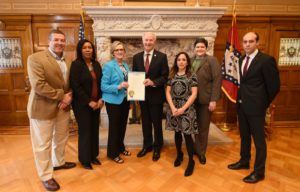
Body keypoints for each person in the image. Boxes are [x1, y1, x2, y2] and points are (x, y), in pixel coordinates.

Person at [228, 32, 280, 183]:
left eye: (251, 41)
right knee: (244, 137)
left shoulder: (266, 60)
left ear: (257, 42)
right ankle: (244, 161)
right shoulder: (241, 59)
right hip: (242, 105)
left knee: (259, 142)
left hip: (256, 108)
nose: (247, 45)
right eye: (245, 42)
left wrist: (262, 104)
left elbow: (274, 86)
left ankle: (259, 172)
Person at [27, 29, 76, 191]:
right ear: (49, 41)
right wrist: (63, 96)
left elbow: (71, 83)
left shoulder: (68, 60)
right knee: (42, 144)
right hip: (42, 108)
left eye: (62, 40)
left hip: (63, 108)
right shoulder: (35, 59)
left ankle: (59, 162)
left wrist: (69, 95)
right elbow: (39, 85)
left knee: (61, 138)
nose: (60, 43)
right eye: (56, 40)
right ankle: (46, 176)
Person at [133, 32, 169, 161]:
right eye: (146, 40)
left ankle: (157, 147)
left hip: (156, 96)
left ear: (155, 41)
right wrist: (134, 93)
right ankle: (147, 146)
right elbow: (134, 77)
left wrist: (153, 82)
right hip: (142, 97)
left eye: (150, 40)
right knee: (145, 123)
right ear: (142, 41)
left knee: (157, 124)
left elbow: (165, 76)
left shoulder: (161, 57)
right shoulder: (136, 57)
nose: (148, 42)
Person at [70, 39, 103, 170]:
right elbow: (76, 86)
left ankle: (93, 155)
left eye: (90, 47)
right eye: (85, 48)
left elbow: (101, 83)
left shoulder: (96, 64)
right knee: (85, 131)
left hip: (97, 103)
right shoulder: (76, 65)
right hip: (82, 105)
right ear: (80, 50)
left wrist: (100, 99)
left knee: (94, 129)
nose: (88, 49)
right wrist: (89, 102)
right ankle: (84, 159)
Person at [165, 52, 198, 176]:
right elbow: (167, 92)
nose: (181, 62)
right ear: (176, 61)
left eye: (184, 59)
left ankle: (191, 161)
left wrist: (183, 108)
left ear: (187, 62)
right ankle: (179, 154)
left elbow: (194, 94)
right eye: (179, 59)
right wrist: (173, 108)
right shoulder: (172, 74)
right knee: (177, 132)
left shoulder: (192, 75)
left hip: (187, 108)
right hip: (174, 108)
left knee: (187, 135)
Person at [191, 38, 222, 165]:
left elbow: (217, 80)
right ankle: (195, 147)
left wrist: (213, 100)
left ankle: (201, 152)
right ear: (194, 48)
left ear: (206, 48)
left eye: (202, 47)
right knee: (194, 125)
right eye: (197, 47)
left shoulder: (212, 60)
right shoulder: (191, 60)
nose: (199, 49)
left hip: (206, 100)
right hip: (192, 100)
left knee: (203, 126)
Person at [101, 41, 131, 164]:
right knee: (114, 127)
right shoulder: (108, 66)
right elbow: (103, 86)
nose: (120, 52)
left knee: (123, 126)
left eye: (122, 49)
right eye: (117, 50)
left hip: (124, 100)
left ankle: (120, 147)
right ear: (113, 53)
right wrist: (118, 86)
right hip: (113, 101)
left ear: (124, 52)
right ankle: (112, 153)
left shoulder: (125, 65)